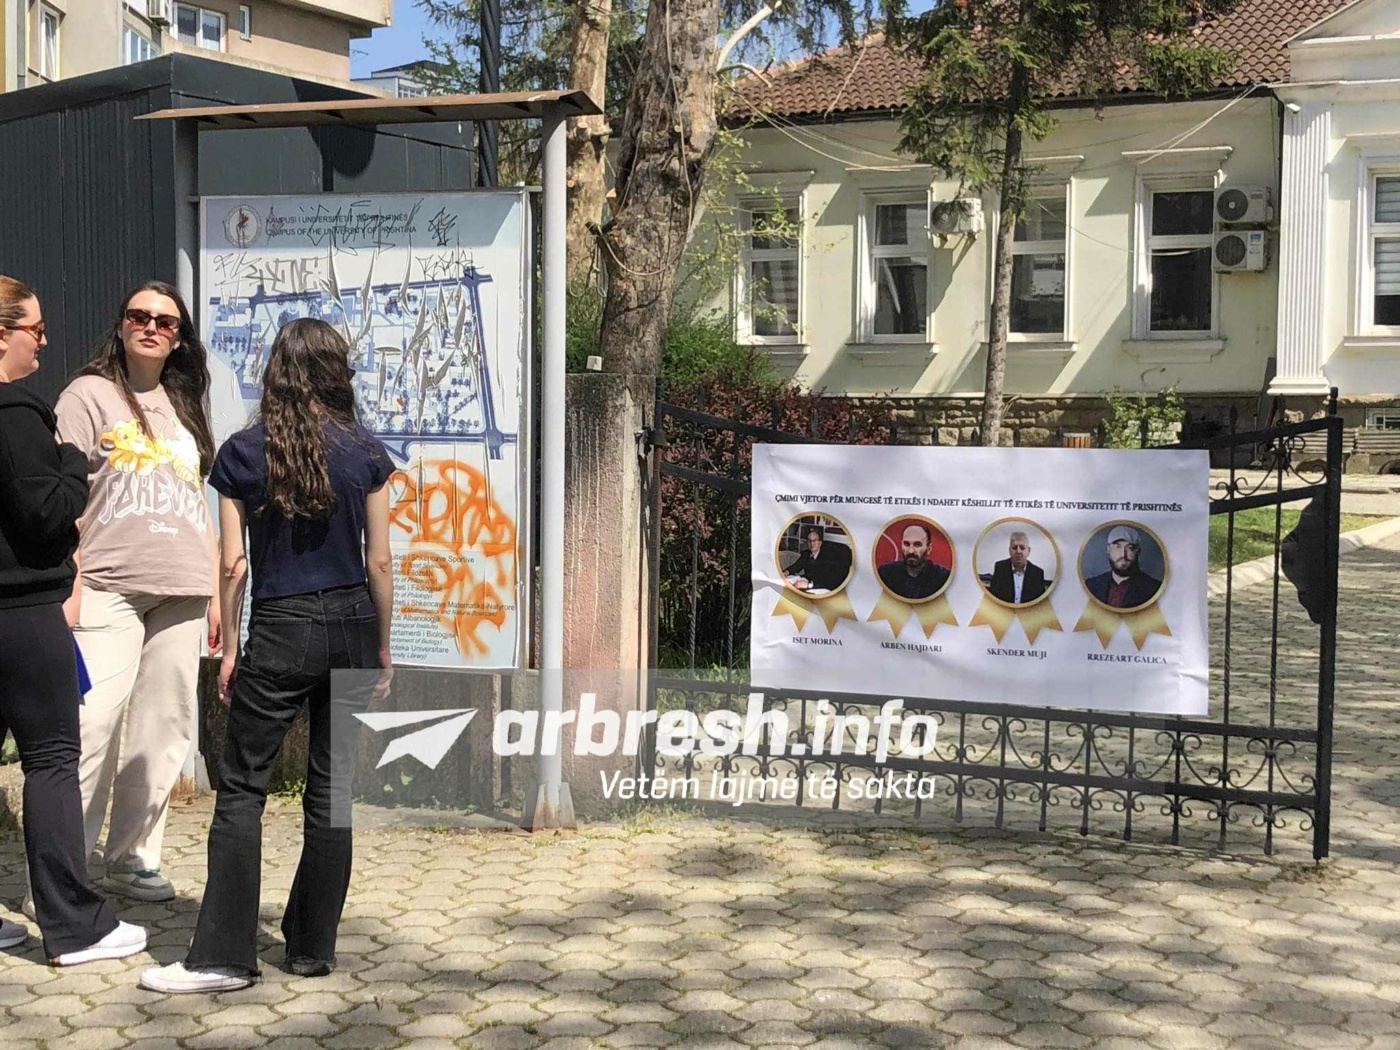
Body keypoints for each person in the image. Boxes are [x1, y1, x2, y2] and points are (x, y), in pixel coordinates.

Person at [140, 318, 395, 994]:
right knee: (331, 790)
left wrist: (229, 646)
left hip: (281, 628)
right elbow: (380, 561)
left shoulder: (243, 454)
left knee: (243, 787)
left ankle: (224, 957)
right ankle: (311, 949)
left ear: (275, 372)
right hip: (352, 622)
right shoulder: (365, 452)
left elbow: (234, 564)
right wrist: (382, 645)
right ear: (336, 372)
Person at [54, 282, 220, 907]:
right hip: (107, 583)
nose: (151, 327)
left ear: (179, 338)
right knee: (91, 722)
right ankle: (64, 871)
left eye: (166, 322)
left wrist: (218, 593)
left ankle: (132, 858)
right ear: (121, 326)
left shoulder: (185, 402)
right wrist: (68, 580)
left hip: (183, 587)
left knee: (163, 728)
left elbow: (197, 499)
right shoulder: (86, 394)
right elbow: (61, 494)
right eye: (139, 316)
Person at [0, 275, 146, 964]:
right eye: (34, 329)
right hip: (24, 612)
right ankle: (75, 926)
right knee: (54, 760)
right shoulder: (17, 412)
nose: (44, 340)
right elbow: (45, 513)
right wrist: (73, 458)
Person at [1085, 525, 1162, 609]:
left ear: (1138, 552)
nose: (1123, 554)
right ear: (1108, 550)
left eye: (1129, 548)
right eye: (1118, 547)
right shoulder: (1091, 585)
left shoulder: (1154, 589)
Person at [878, 522, 951, 600]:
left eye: (917, 545)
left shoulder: (943, 578)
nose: (911, 551)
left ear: (929, 549)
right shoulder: (886, 574)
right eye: (906, 544)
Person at [988, 531, 1049, 605]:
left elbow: (1040, 604)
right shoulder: (1000, 568)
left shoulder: (1037, 573)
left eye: (1022, 548)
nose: (1018, 551)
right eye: (1014, 548)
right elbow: (993, 599)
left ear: (1028, 551)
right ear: (1009, 551)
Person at [786, 526, 852, 592]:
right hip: (806, 583)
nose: (812, 543)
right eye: (809, 540)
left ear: (820, 543)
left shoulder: (827, 558)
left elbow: (828, 582)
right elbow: (796, 566)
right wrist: (786, 572)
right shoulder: (806, 554)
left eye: (814, 540)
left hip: (820, 588)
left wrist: (809, 585)